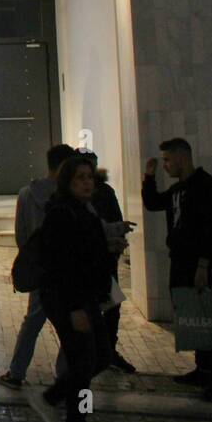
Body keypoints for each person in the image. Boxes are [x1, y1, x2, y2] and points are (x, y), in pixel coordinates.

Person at [143, 137, 212, 402]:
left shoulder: (205, 188)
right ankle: (204, 369)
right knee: (192, 316)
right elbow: (154, 203)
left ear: (181, 158)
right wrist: (149, 177)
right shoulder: (179, 189)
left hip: (198, 263)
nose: (166, 166)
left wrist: (204, 265)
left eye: (168, 161)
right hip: (181, 260)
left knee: (206, 316)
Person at [38, 155, 114, 422]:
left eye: (89, 177)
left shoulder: (85, 211)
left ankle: (54, 396)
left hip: (86, 296)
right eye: (80, 177)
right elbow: (60, 265)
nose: (86, 182)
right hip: (69, 298)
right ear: (67, 182)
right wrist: (74, 308)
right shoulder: (62, 214)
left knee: (100, 356)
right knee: (84, 362)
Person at [0, 143, 76, 389]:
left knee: (32, 321)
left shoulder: (26, 194)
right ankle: (63, 375)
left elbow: (21, 234)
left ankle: (17, 372)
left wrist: (30, 260)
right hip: (67, 270)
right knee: (68, 324)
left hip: (40, 269)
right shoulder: (69, 196)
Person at [83, 149, 136, 373]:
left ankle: (104, 352)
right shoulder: (78, 199)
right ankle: (100, 353)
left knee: (110, 307)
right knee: (101, 309)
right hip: (94, 264)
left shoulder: (102, 193)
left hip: (103, 263)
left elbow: (110, 224)